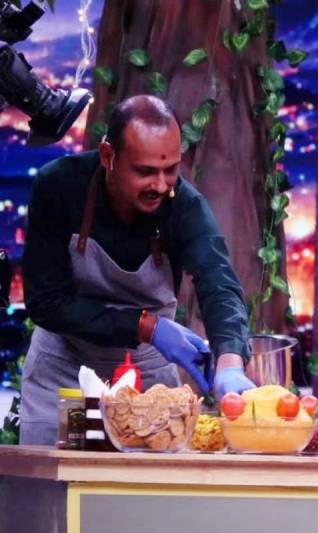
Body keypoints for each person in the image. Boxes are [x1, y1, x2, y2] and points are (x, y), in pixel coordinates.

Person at [20, 95, 256, 445]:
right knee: (61, 473)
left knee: (143, 475)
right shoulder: (59, 187)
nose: (160, 185)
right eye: (145, 171)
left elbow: (218, 282)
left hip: (148, 379)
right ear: (108, 156)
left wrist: (230, 362)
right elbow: (46, 301)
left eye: (170, 170)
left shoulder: (184, 206)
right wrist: (147, 326)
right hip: (65, 372)